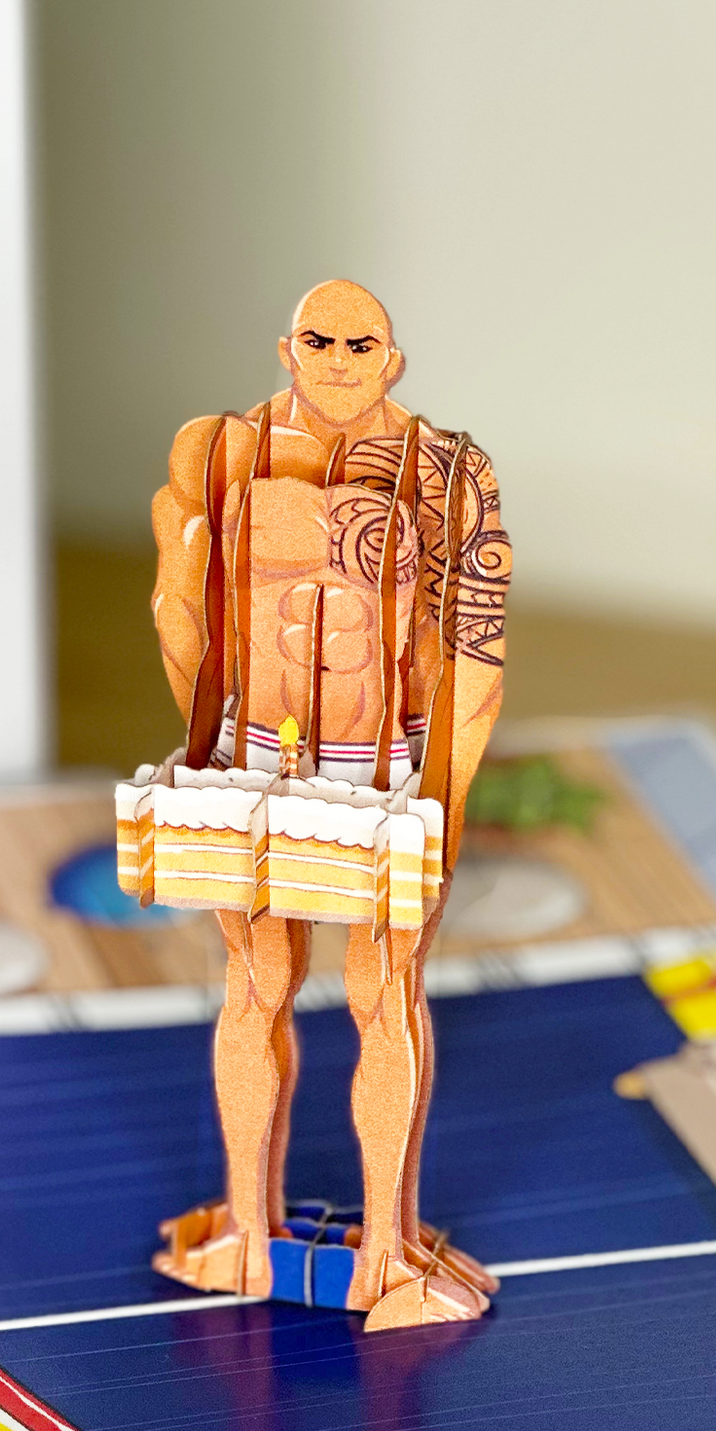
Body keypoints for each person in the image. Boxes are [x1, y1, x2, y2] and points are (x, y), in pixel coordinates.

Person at [148, 279, 511, 1328]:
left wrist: (438, 799)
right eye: (320, 337)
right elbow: (181, 606)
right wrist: (208, 750)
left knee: (384, 991)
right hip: (252, 751)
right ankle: (246, 1230)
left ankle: (389, 1248)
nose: (340, 356)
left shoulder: (448, 472)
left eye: (362, 341)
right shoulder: (217, 450)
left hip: (386, 764)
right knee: (252, 979)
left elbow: (472, 654)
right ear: (285, 344)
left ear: (391, 357)